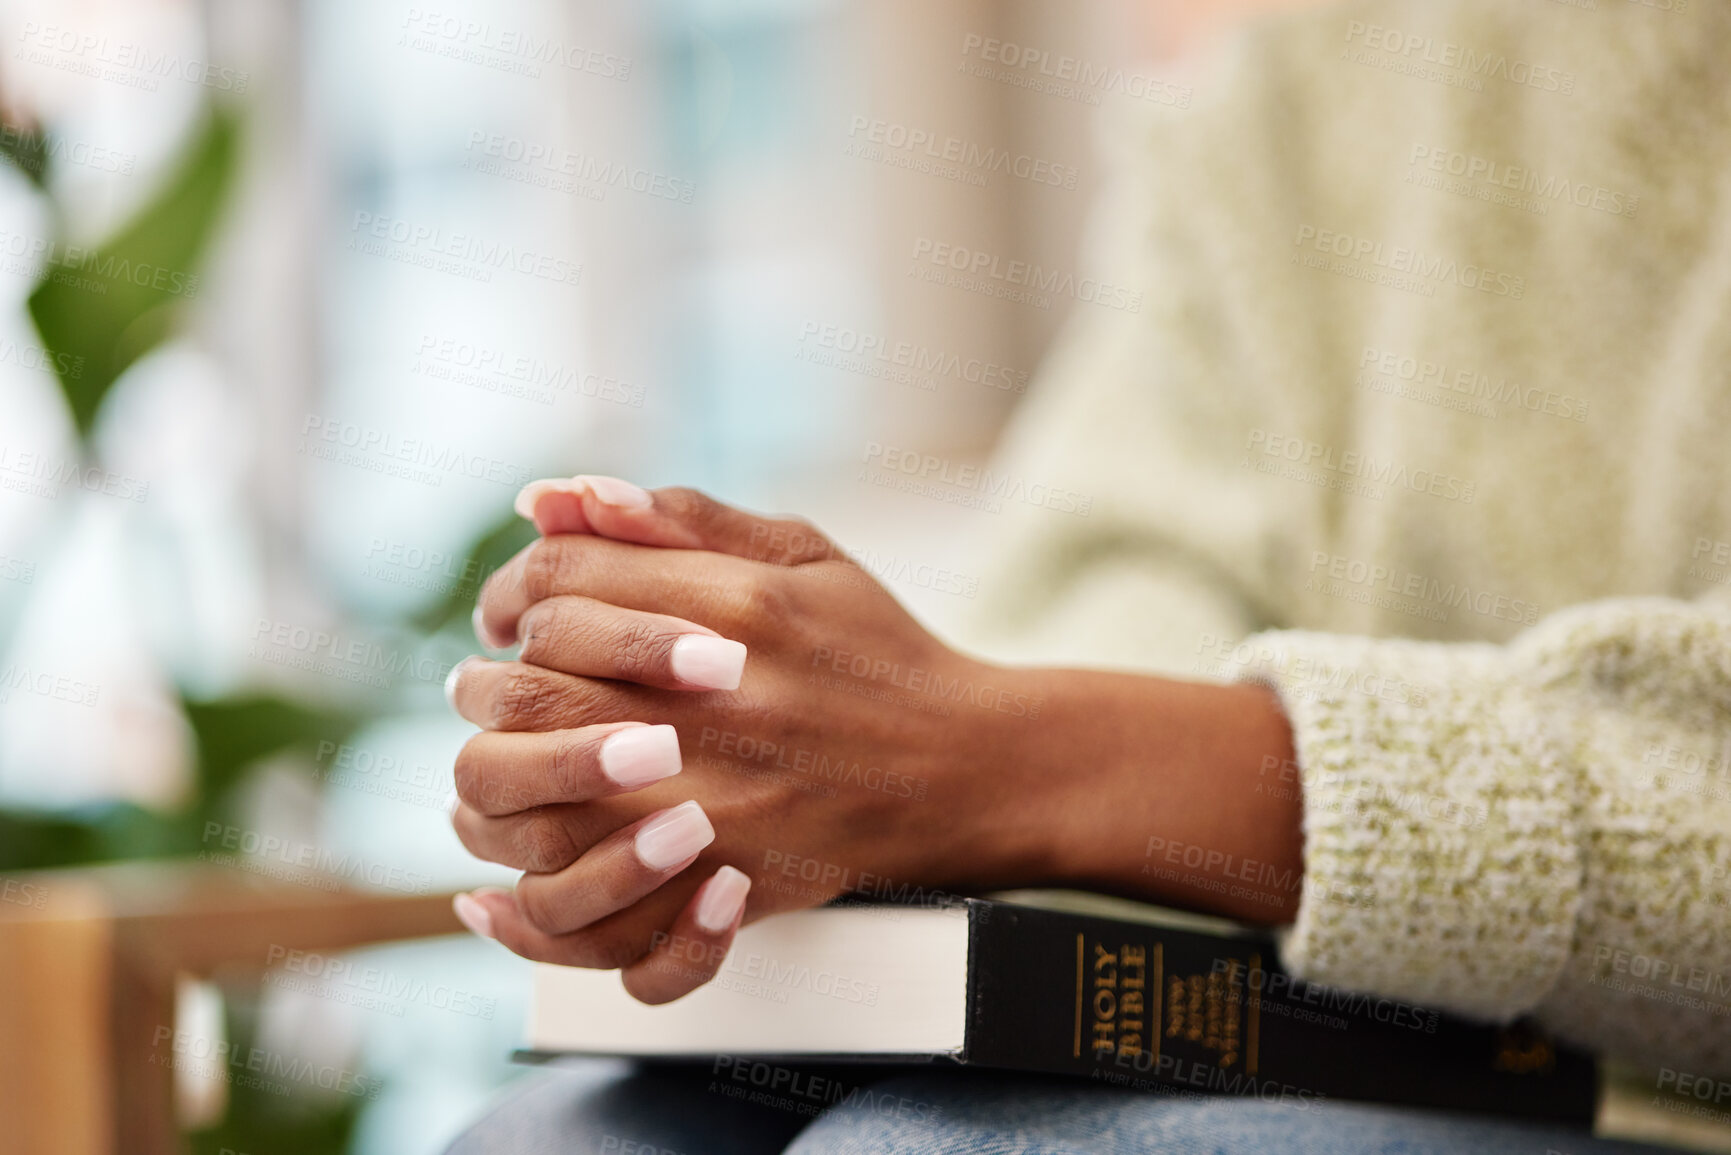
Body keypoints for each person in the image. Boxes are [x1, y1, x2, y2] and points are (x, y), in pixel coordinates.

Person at [443, 0, 1731, 1149]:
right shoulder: (1283, 96)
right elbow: (1114, 579)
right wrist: (750, 759)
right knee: (557, 1137)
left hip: (1626, 1086)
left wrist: (1003, 757)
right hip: (1350, 1031)